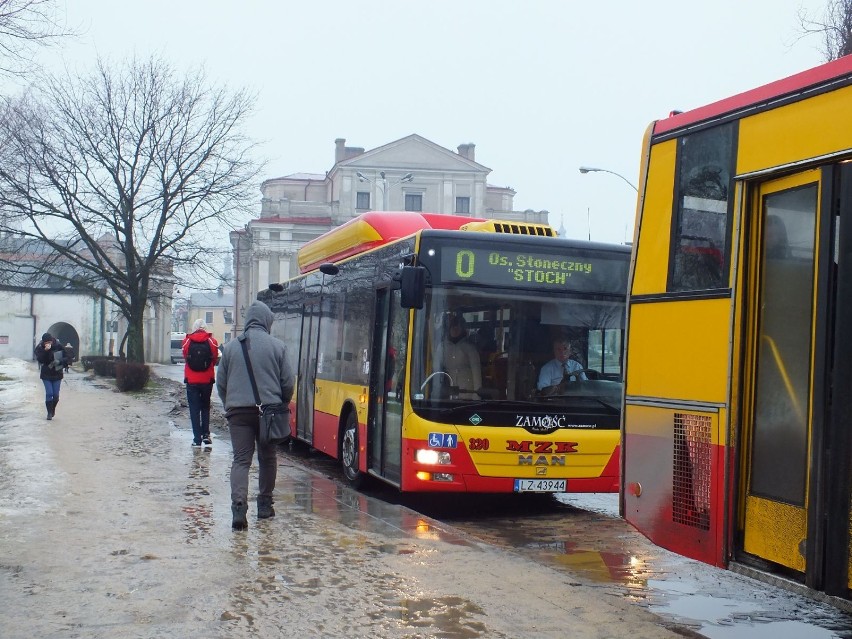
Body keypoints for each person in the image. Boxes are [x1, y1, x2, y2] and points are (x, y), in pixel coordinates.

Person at [216, 301, 294, 530]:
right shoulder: (277, 347)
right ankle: (264, 505)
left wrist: (230, 405)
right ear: (266, 321)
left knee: (241, 460)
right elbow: (288, 383)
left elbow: (221, 383)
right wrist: (282, 404)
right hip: (268, 413)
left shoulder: (230, 348)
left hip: (238, 414)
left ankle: (239, 508)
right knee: (267, 458)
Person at [182, 319, 219, 449]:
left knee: (194, 409)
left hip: (191, 380)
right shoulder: (212, 342)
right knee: (205, 407)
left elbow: (185, 356)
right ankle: (206, 435)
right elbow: (214, 359)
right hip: (207, 380)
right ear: (205, 328)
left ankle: (196, 439)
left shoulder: (187, 341)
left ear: (194, 327)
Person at [437, 314, 482, 399]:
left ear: (462, 329)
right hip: (447, 395)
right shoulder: (442, 347)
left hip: (467, 394)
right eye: (453, 327)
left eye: (458, 327)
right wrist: (435, 392)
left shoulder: (470, 348)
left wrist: (476, 395)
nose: (455, 329)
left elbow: (476, 374)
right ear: (448, 328)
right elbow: (436, 370)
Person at [34, 332, 67, 420]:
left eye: (49, 342)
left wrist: (60, 361)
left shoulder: (58, 345)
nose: (48, 343)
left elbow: (67, 357)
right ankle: (49, 413)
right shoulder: (40, 347)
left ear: (52, 340)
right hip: (46, 373)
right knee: (49, 393)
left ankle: (52, 410)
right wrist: (45, 351)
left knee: (56, 395)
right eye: (46, 342)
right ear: (43, 342)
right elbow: (40, 359)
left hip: (57, 373)